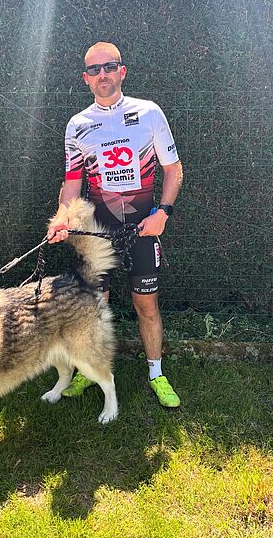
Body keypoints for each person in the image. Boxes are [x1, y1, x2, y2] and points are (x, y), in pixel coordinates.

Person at [47, 41, 183, 408]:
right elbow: (72, 184)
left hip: (143, 228)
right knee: (94, 307)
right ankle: (90, 371)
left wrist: (162, 214)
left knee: (147, 306)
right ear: (86, 78)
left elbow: (173, 170)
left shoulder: (149, 113)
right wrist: (62, 220)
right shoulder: (77, 125)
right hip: (99, 234)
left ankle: (156, 374)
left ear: (122, 71)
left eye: (109, 67)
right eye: (95, 70)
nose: (103, 74)